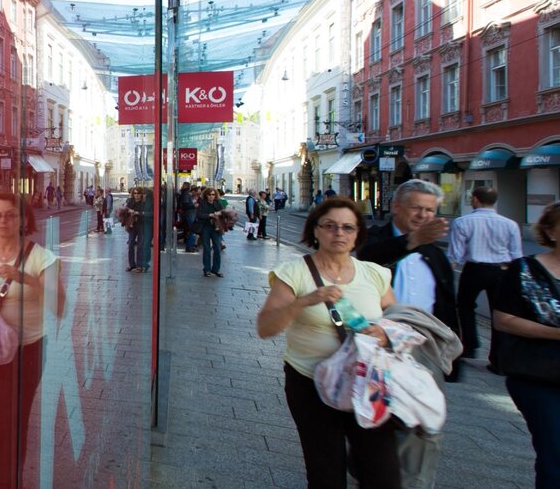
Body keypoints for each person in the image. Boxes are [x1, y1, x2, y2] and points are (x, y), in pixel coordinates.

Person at [257, 197, 399, 488]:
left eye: (348, 227)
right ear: (316, 231)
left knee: (383, 473)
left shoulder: (375, 274)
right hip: (311, 384)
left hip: (368, 383)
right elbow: (265, 327)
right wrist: (305, 301)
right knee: (326, 473)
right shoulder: (294, 273)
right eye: (330, 226)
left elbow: (396, 321)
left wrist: (385, 333)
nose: (339, 233)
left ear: (358, 233)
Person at [356, 179, 461, 487]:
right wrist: (410, 242)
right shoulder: (372, 239)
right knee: (375, 418)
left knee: (426, 422)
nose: (423, 215)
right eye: (416, 208)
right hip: (377, 345)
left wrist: (454, 349)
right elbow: (364, 262)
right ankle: (368, 467)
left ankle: (414, 481)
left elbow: (446, 304)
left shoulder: (435, 255)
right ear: (397, 207)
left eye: (430, 211)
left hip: (422, 350)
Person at [0, 193, 63, 489]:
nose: (4, 221)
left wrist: (27, 279)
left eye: (11, 215)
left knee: (9, 420)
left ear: (23, 220)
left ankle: (6, 481)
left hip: (25, 349)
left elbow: (59, 306)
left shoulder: (42, 257)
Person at [493, 202, 560, 489]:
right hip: (539, 376)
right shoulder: (525, 269)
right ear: (551, 231)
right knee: (554, 453)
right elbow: (503, 320)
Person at [449, 186, 523, 369]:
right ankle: (499, 359)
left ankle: (470, 345)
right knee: (500, 314)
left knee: (465, 306)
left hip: (474, 269)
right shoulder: (510, 224)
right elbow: (517, 255)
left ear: (475, 199)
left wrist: (447, 272)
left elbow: (455, 254)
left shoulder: (463, 222)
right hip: (501, 271)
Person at [197, 188, 224, 277]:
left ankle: (216, 269)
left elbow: (223, 213)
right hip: (205, 227)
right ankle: (207, 269)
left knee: (217, 248)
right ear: (206, 195)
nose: (211, 197)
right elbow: (199, 215)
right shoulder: (202, 203)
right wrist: (209, 215)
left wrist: (218, 214)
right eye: (209, 195)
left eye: (213, 195)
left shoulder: (217, 203)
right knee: (207, 249)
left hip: (216, 228)